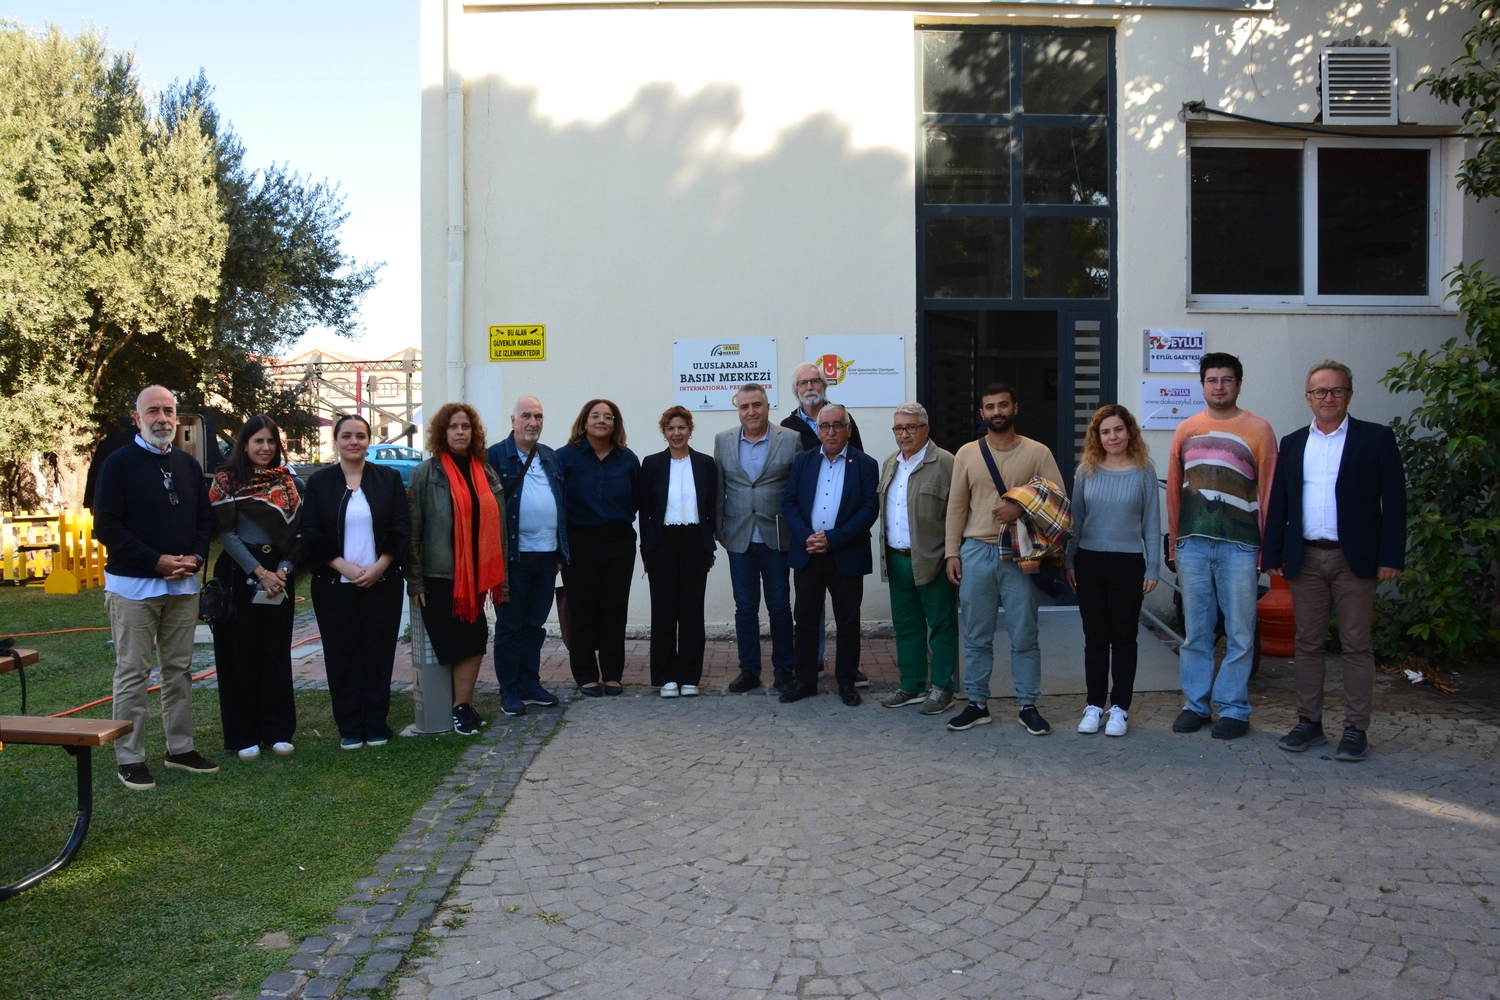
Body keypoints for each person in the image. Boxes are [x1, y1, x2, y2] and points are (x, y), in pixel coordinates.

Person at [1264, 361, 1405, 762]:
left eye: (1336, 391)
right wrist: (1273, 553)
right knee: (1307, 644)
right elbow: (1280, 504)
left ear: (1349, 395)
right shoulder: (1292, 443)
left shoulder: (1376, 439)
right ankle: (1308, 722)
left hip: (1354, 559)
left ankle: (1356, 729)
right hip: (1305, 558)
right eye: (1320, 392)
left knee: (1357, 645)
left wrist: (1391, 555)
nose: (1328, 398)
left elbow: (1395, 503)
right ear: (1308, 398)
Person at [93, 385, 219, 790]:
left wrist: (196, 558)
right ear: (138, 418)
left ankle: (180, 748)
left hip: (182, 587)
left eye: (168, 411)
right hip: (133, 587)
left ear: (177, 418)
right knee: (133, 672)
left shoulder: (185, 464)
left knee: (179, 670)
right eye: (153, 411)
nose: (162, 418)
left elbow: (204, 521)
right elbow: (106, 526)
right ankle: (130, 757)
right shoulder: (117, 464)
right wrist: (156, 560)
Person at [1166, 352, 1278, 740]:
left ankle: (1234, 708)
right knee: (1195, 632)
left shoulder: (1259, 430)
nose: (1219, 386)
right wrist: (1175, 542)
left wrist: (1268, 548)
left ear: (1239, 384)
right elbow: (1175, 492)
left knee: (1240, 632)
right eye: (1212, 380)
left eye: (1226, 379)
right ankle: (1196, 705)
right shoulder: (1186, 429)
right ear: (1202, 385)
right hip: (1193, 545)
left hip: (1241, 546)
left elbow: (1269, 492)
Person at [943, 382, 1066, 735]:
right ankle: (978, 703)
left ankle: (1028, 704)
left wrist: (1020, 507)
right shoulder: (967, 453)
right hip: (976, 550)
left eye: (1003, 405)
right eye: (990, 407)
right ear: (981, 413)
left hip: (1022, 554)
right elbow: (956, 506)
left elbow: (1058, 502)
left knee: (1024, 633)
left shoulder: (1037, 452)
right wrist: (953, 552)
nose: (997, 412)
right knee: (977, 634)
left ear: (1015, 408)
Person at [302, 413, 410, 749]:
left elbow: (400, 527)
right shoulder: (320, 482)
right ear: (336, 441)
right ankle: (350, 726)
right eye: (347, 436)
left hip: (383, 581)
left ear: (368, 440)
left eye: (361, 436)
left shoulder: (388, 478)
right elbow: (312, 533)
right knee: (342, 654)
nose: (354, 442)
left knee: (377, 654)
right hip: (335, 585)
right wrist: (342, 567)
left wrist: (380, 566)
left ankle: (376, 723)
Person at [408, 403, 507, 735]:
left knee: (476, 639)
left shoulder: (486, 471)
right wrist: (416, 580)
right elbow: (413, 531)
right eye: (453, 427)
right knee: (449, 643)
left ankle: (461, 706)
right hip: (440, 575)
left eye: (465, 426)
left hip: (477, 577)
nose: (460, 432)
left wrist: (501, 578)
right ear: (442, 433)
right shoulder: (427, 473)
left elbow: (499, 529)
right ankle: (448, 707)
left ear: (473, 432)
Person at [209, 415, 303, 761]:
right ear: (244, 445)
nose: (265, 448)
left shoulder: (288, 483)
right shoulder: (227, 481)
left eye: (271, 442)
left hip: (279, 576)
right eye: (258, 441)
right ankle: (243, 734)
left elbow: (297, 534)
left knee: (275, 654)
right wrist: (260, 572)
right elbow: (226, 534)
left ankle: (278, 731)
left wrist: (283, 570)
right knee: (240, 656)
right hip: (240, 574)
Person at [1065, 405, 1160, 738]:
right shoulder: (1086, 471)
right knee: (1094, 639)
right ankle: (1093, 705)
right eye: (1105, 431)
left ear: (1129, 432)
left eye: (1118, 429)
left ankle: (1119, 708)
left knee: (1124, 638)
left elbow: (1151, 522)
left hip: (1128, 562)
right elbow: (1074, 521)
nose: (1113, 437)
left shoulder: (1144, 472)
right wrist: (1070, 561)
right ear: (1097, 436)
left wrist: (1153, 567)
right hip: (1090, 561)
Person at [779, 404, 880, 706]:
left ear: (849, 429)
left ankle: (846, 682)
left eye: (838, 425)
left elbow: (868, 510)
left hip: (845, 554)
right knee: (806, 621)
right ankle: (806, 681)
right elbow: (789, 503)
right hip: (808, 552)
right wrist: (807, 536)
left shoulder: (865, 463)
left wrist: (832, 539)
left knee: (848, 622)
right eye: (825, 426)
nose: (831, 431)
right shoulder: (803, 461)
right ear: (818, 430)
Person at [713, 383, 801, 694]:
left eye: (757, 405)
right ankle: (749, 670)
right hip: (738, 537)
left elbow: (798, 491)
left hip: (777, 535)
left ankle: (784, 670)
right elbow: (719, 489)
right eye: (744, 406)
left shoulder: (790, 440)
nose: (751, 411)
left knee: (779, 606)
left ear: (767, 406)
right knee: (745, 607)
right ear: (738, 409)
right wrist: (720, 532)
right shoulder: (723, 440)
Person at [876, 403, 959, 716]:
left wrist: (953, 553)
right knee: (906, 626)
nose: (904, 434)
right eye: (898, 428)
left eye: (911, 427)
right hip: (897, 559)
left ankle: (941, 688)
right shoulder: (890, 464)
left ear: (926, 428)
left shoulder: (946, 463)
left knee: (941, 626)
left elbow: (958, 511)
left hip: (933, 559)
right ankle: (911, 685)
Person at [555, 399, 640, 697]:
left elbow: (636, 500)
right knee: (581, 609)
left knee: (614, 609)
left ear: (615, 423)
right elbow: (557, 504)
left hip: (619, 543)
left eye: (608, 416)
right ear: (584, 421)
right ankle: (586, 674)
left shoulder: (628, 459)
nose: (602, 420)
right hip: (579, 543)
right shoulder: (565, 457)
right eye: (595, 416)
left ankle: (613, 674)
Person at [487, 395, 564, 718]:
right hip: (512, 558)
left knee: (535, 625)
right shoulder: (494, 456)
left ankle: (530, 683)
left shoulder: (549, 456)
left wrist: (561, 551)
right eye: (527, 416)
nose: (533, 422)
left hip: (546, 556)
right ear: (513, 420)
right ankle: (510, 690)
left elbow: (562, 503)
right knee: (509, 627)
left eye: (539, 416)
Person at [638, 407, 718, 697]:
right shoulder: (652, 464)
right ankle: (666, 676)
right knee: (663, 610)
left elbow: (712, 508)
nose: (676, 433)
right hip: (662, 543)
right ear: (664, 432)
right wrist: (646, 552)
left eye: (681, 427)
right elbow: (644, 512)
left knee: (692, 611)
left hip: (695, 541)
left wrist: (709, 546)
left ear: (690, 430)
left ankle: (689, 676)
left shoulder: (706, 463)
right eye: (671, 428)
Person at [780, 361, 865, 453]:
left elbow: (858, 457)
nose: (809, 387)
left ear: (824, 386)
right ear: (796, 390)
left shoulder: (843, 418)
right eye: (803, 383)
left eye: (815, 381)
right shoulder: (787, 426)